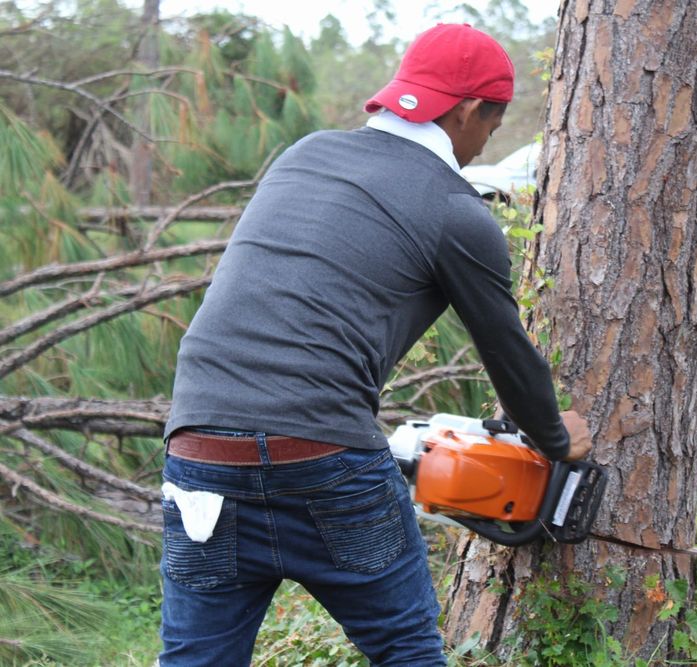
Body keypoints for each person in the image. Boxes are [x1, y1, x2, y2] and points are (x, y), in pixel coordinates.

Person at [158, 23, 593, 667]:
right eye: (489, 130)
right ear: (472, 111)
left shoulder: (305, 154)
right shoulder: (456, 211)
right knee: (405, 650)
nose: (477, 151)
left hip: (200, 452)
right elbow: (506, 351)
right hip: (322, 458)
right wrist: (555, 439)